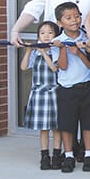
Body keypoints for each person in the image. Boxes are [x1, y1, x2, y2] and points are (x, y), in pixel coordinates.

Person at [51, 2, 90, 173]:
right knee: (67, 124)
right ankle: (69, 155)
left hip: (87, 86)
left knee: (88, 123)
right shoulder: (57, 42)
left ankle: (88, 155)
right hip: (67, 88)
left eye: (77, 16)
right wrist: (63, 48)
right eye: (68, 18)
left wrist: (80, 52)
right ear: (59, 22)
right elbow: (62, 66)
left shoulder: (87, 37)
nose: (74, 20)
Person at [20, 21, 60, 170]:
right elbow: (24, 67)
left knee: (57, 127)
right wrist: (29, 51)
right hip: (39, 93)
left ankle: (57, 154)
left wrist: (44, 52)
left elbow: (54, 68)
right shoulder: (35, 52)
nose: (46, 36)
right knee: (44, 128)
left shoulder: (55, 50)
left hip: (53, 92)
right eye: (42, 33)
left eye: (50, 33)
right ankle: (44, 155)